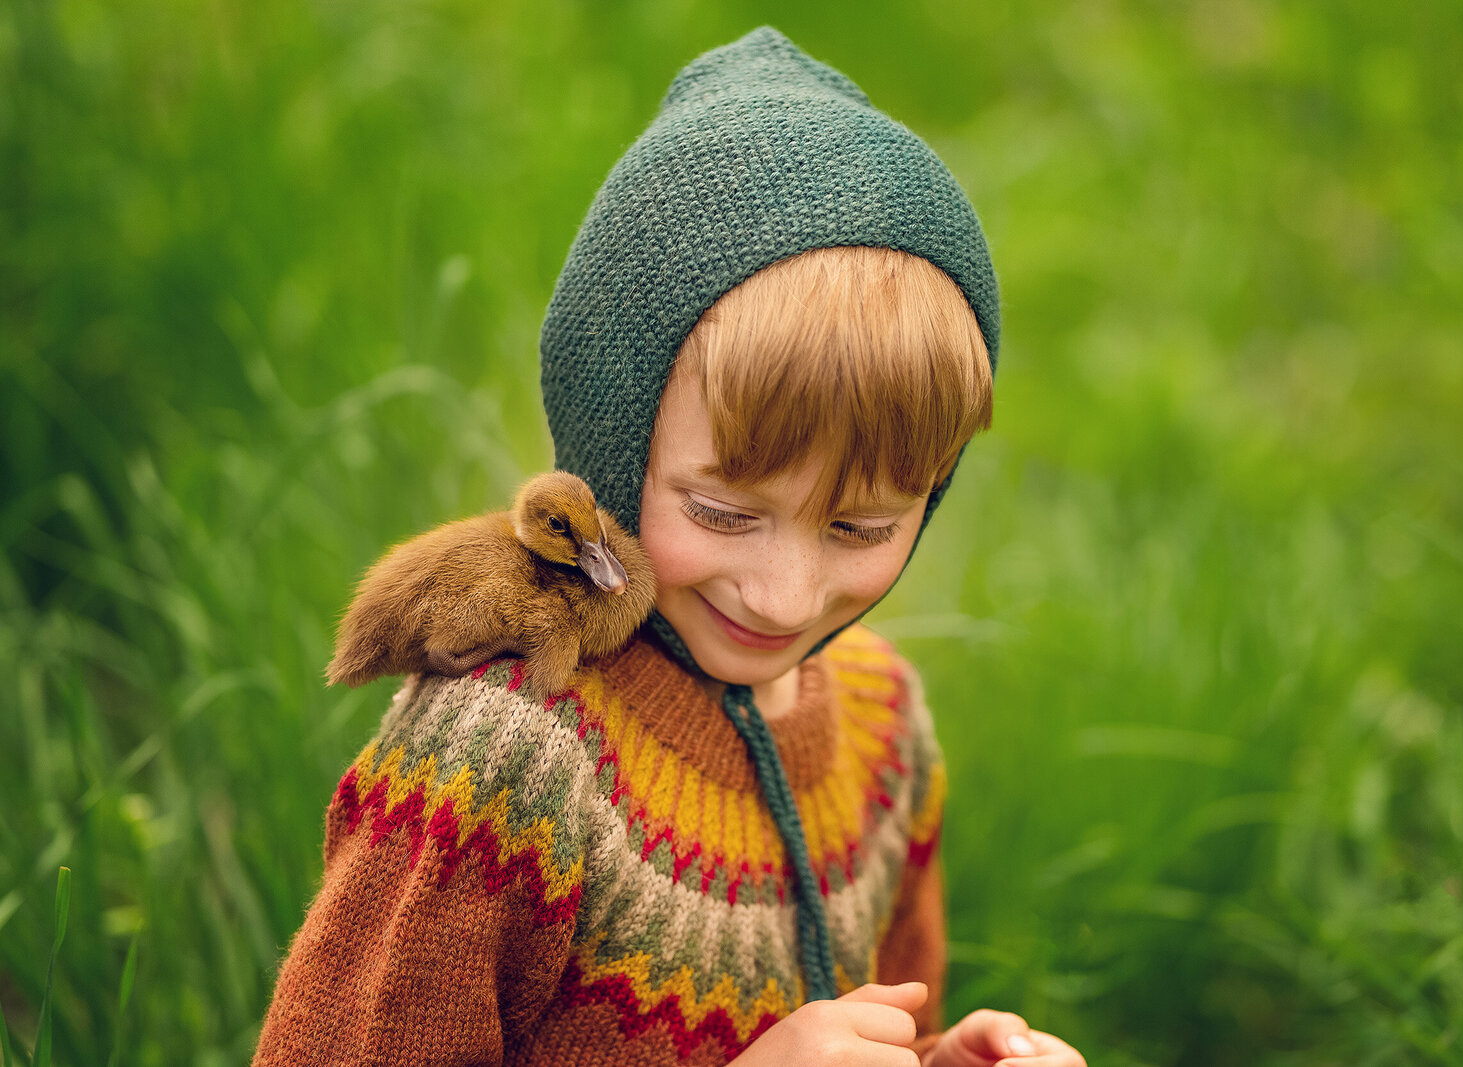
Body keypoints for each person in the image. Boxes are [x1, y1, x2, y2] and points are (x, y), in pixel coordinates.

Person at [254, 27, 1086, 1067]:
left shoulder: (886, 734)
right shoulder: (500, 766)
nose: (784, 596)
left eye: (861, 526)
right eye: (726, 512)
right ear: (614, 439)